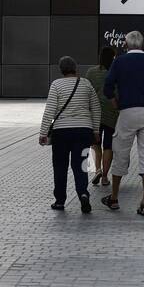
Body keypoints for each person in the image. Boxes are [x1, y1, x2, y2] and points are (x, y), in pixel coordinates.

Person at [102, 31, 144, 216]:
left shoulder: (119, 62)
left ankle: (114, 198)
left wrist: (116, 104)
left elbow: (107, 86)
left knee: (120, 154)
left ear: (126, 44)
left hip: (127, 113)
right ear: (142, 44)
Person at [39, 56, 100, 213]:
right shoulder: (86, 84)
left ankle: (60, 200)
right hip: (83, 132)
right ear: (76, 68)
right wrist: (96, 130)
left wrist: (43, 132)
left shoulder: (56, 85)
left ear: (61, 70)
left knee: (60, 166)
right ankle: (83, 194)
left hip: (61, 133)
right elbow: (96, 108)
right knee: (80, 165)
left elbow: (50, 110)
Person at [84, 46, 118, 187]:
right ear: (112, 57)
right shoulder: (116, 72)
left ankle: (97, 169)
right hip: (112, 113)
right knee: (108, 145)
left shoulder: (91, 72)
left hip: (95, 114)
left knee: (95, 143)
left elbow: (86, 91)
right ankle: (104, 176)